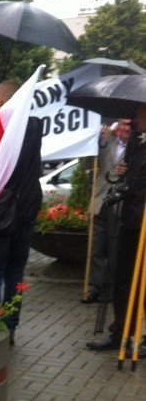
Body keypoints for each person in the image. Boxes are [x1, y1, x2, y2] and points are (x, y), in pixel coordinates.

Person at [0, 80, 43, 346]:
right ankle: (10, 328)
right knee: (15, 273)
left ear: (2, 101)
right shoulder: (36, 125)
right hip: (25, 211)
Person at [86, 105, 146, 353]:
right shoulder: (136, 142)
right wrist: (123, 173)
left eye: (139, 113)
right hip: (129, 219)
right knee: (121, 279)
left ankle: (142, 338)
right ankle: (121, 331)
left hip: (143, 220)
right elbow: (128, 178)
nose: (134, 118)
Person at [83, 119, 130, 303]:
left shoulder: (137, 146)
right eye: (123, 124)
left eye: (129, 125)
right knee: (96, 245)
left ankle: (112, 288)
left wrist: (127, 170)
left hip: (120, 202)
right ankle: (95, 286)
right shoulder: (106, 141)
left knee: (115, 247)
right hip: (99, 199)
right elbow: (88, 165)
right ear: (117, 127)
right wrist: (97, 142)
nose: (125, 128)